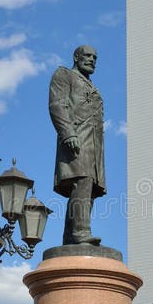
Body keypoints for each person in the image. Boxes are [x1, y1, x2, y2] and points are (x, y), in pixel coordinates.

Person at [49, 45, 106, 245]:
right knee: (81, 182)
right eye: (88, 56)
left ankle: (70, 236)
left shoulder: (92, 86)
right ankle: (81, 232)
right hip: (76, 139)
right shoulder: (64, 75)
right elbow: (57, 105)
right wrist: (68, 133)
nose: (92, 60)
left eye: (95, 58)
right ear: (76, 57)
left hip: (94, 146)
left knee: (86, 188)